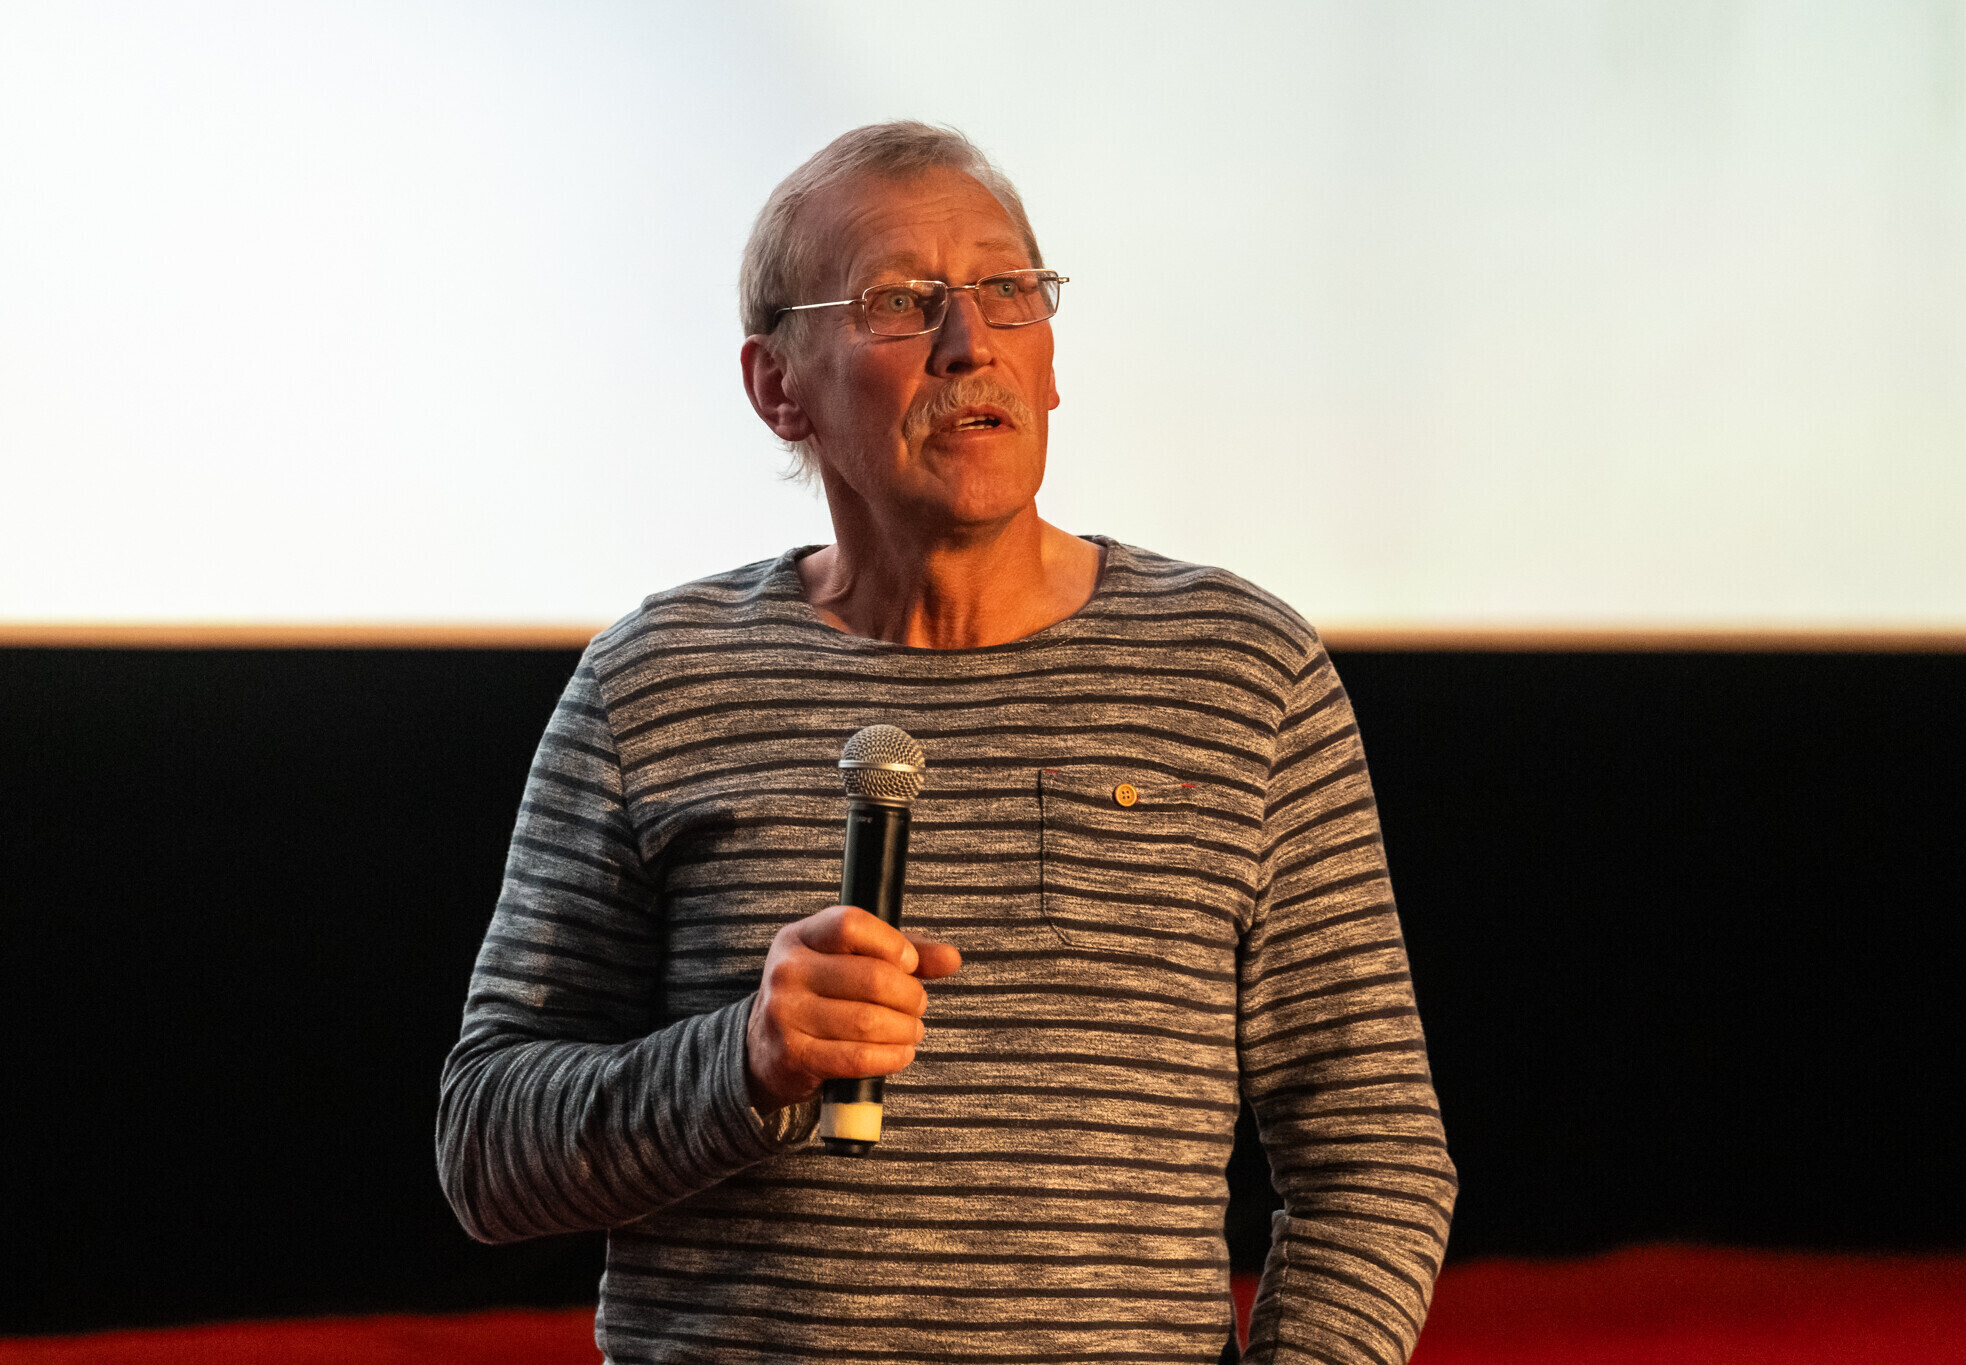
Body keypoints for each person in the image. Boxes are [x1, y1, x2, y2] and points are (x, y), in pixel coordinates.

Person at [437, 121, 1455, 1365]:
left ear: (1050, 359)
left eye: (1008, 290)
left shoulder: (1240, 670)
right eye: (900, 301)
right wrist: (740, 1065)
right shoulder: (654, 680)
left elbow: (1373, 1156)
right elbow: (486, 1151)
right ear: (777, 386)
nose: (971, 342)